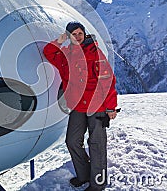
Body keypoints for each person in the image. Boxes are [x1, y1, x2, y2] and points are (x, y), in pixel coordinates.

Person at [43, 22, 118, 191]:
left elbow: (108, 81)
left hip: (96, 105)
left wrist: (111, 107)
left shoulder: (94, 53)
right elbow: (48, 52)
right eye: (73, 34)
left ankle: (97, 183)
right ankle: (84, 175)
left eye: (80, 33)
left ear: (84, 34)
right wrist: (59, 41)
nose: (77, 37)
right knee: (72, 141)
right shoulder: (66, 53)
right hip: (77, 106)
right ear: (68, 36)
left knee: (96, 144)